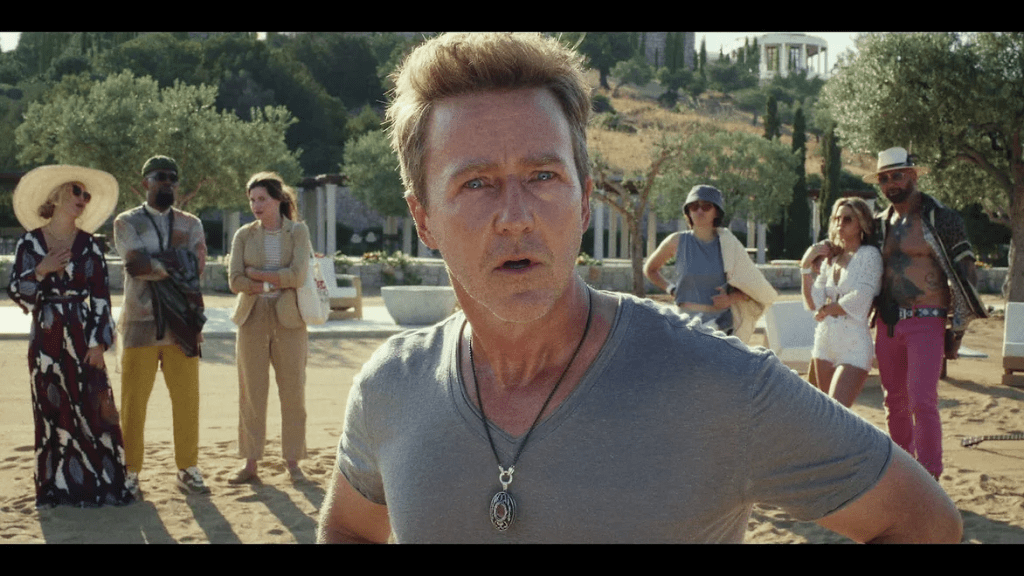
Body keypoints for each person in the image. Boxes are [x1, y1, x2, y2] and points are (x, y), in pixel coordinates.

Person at [317, 32, 962, 544]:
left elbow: (924, 523)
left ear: (584, 199)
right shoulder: (389, 388)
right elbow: (347, 528)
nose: (515, 216)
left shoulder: (718, 383)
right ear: (423, 218)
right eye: (476, 183)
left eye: (542, 176)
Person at [7, 165, 134, 509]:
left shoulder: (90, 245)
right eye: (76, 191)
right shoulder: (30, 242)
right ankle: (56, 489)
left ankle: (102, 486)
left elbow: (102, 298)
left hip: (83, 336)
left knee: (95, 407)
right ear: (56, 196)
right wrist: (41, 270)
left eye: (86, 195)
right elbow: (18, 293)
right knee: (51, 410)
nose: (83, 199)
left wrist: (98, 343)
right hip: (45, 339)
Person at [867, 146, 988, 479]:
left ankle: (930, 475)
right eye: (884, 179)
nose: (891, 184)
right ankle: (903, 473)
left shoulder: (941, 217)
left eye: (897, 175)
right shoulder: (879, 224)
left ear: (913, 175)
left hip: (928, 318)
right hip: (888, 322)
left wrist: (957, 330)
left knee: (922, 400)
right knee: (894, 401)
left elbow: (967, 273)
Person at [113, 155, 209, 496]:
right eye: (160, 177)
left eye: (172, 177)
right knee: (134, 403)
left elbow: (196, 266)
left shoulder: (191, 223)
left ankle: (188, 468)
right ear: (146, 183)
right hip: (140, 321)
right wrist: (177, 264)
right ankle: (130, 471)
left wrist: (157, 263)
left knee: (187, 400)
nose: (167, 183)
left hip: (183, 322)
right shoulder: (127, 222)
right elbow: (135, 265)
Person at [227, 172, 311, 484]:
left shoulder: (298, 232)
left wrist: (258, 274)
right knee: (252, 392)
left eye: (262, 198)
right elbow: (235, 280)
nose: (256, 205)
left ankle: (293, 463)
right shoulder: (243, 235)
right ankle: (250, 463)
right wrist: (271, 282)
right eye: (252, 200)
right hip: (251, 319)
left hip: (290, 320)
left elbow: (298, 276)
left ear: (277, 199)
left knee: (293, 391)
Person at [643, 185, 777, 342]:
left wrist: (731, 298)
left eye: (706, 206)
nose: (699, 211)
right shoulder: (676, 241)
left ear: (716, 212)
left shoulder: (729, 244)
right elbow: (650, 269)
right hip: (685, 326)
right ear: (688, 212)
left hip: (720, 328)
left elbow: (756, 288)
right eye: (694, 206)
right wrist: (671, 289)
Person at [799, 198, 882, 407]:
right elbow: (813, 303)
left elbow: (860, 298)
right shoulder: (832, 260)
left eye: (847, 219)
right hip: (825, 341)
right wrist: (805, 266)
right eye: (837, 219)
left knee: (838, 413)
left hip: (854, 345)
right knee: (824, 413)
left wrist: (826, 309)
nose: (840, 224)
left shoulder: (870, 255)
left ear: (861, 223)